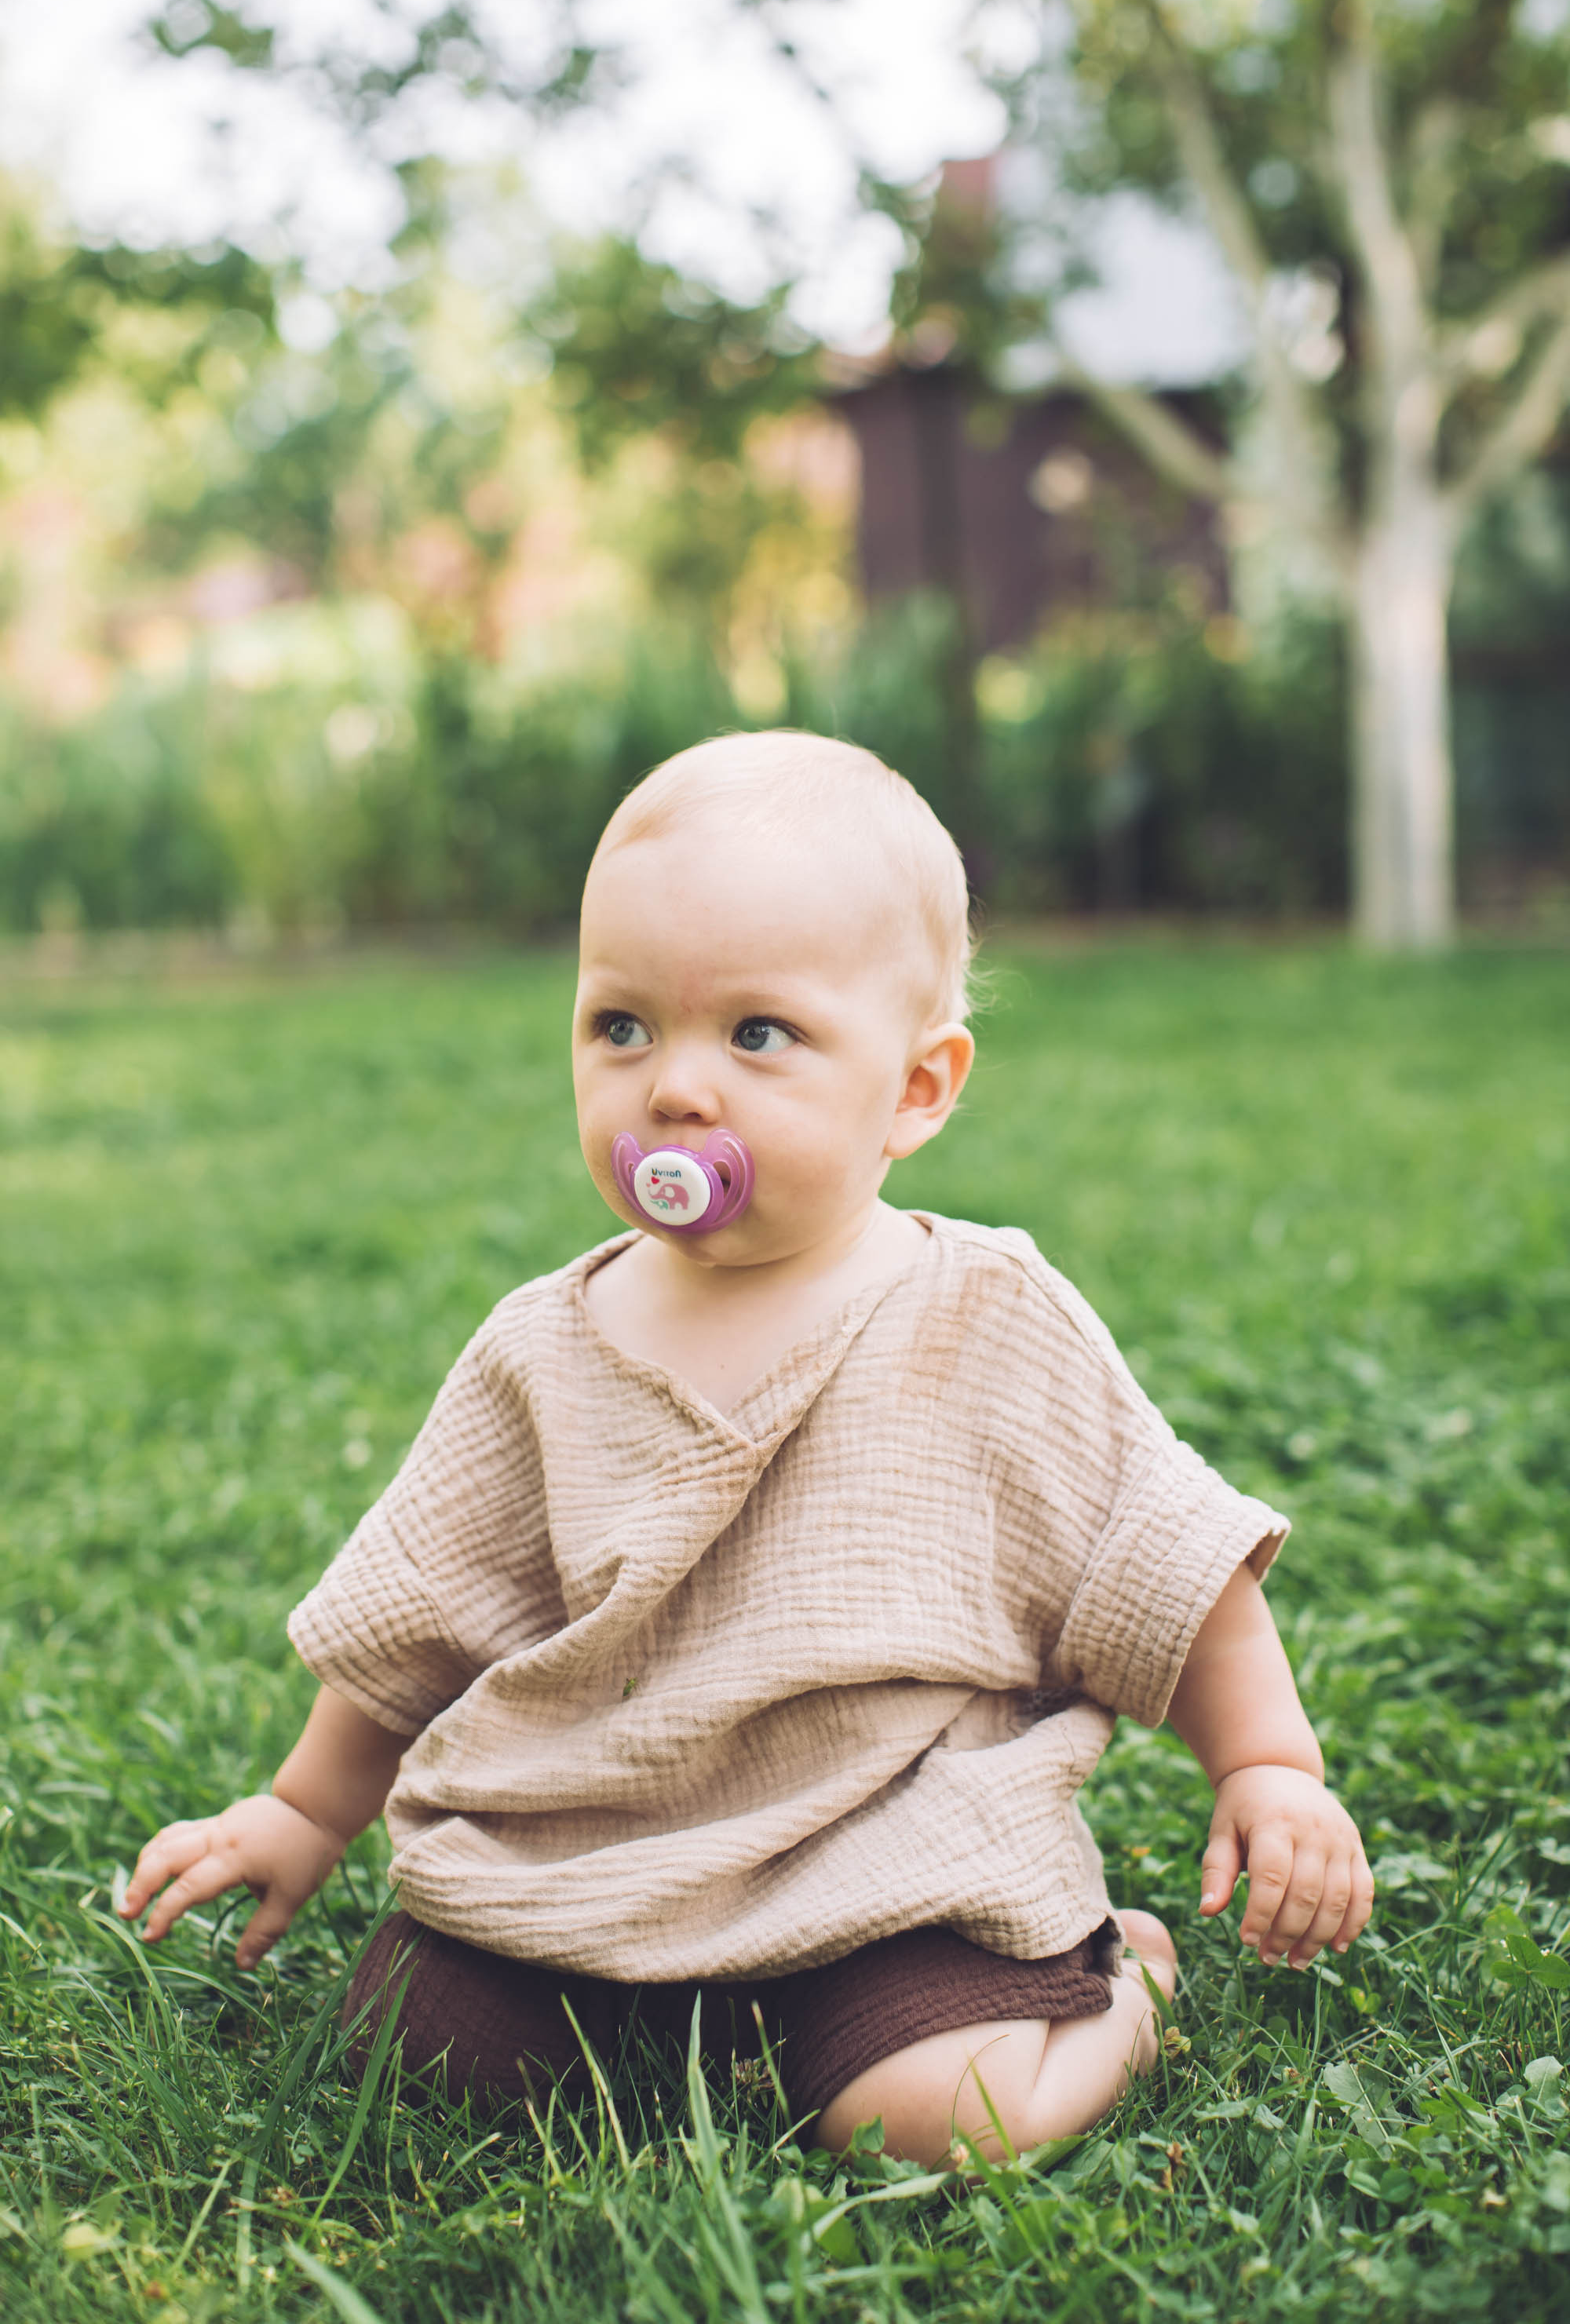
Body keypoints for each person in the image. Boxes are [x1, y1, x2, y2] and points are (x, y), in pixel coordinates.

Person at [119, 731, 1373, 2169]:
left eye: (757, 1035)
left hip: (890, 1859)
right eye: (623, 1028)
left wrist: (1267, 1766)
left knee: (931, 2124)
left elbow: (1164, 1558)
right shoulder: (545, 1346)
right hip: (599, 1845)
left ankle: (1122, 1988)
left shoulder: (986, 1317)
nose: (674, 1089)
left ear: (916, 1088)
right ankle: (655, 2001)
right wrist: (301, 1811)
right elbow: (425, 1611)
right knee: (415, 2044)